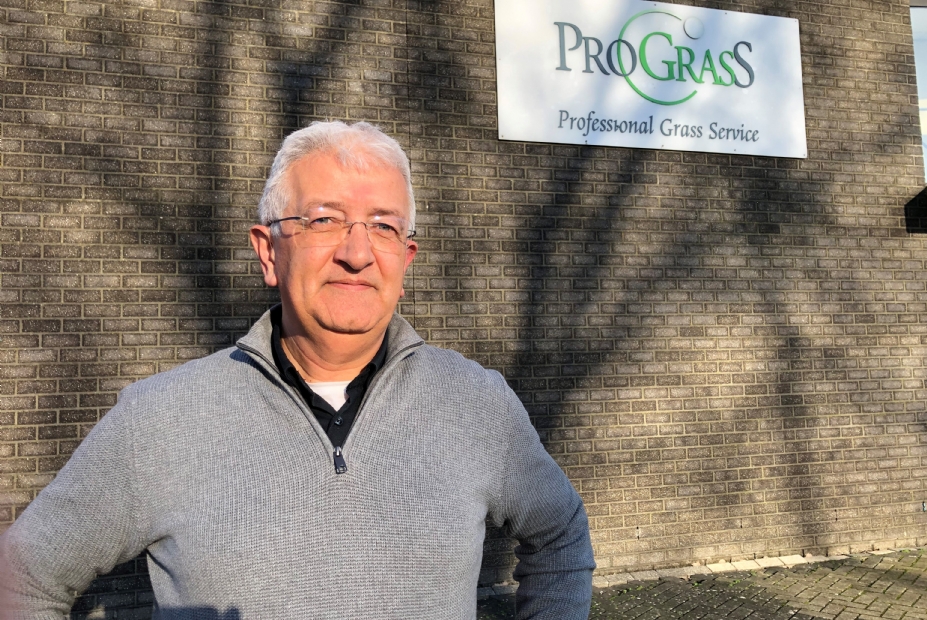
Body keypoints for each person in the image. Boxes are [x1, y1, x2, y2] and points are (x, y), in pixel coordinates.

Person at [0, 121, 595, 619]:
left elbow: (560, 534)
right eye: (324, 220)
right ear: (268, 251)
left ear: (405, 259)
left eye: (383, 226)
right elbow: (23, 579)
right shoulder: (159, 420)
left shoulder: (475, 404)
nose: (357, 253)